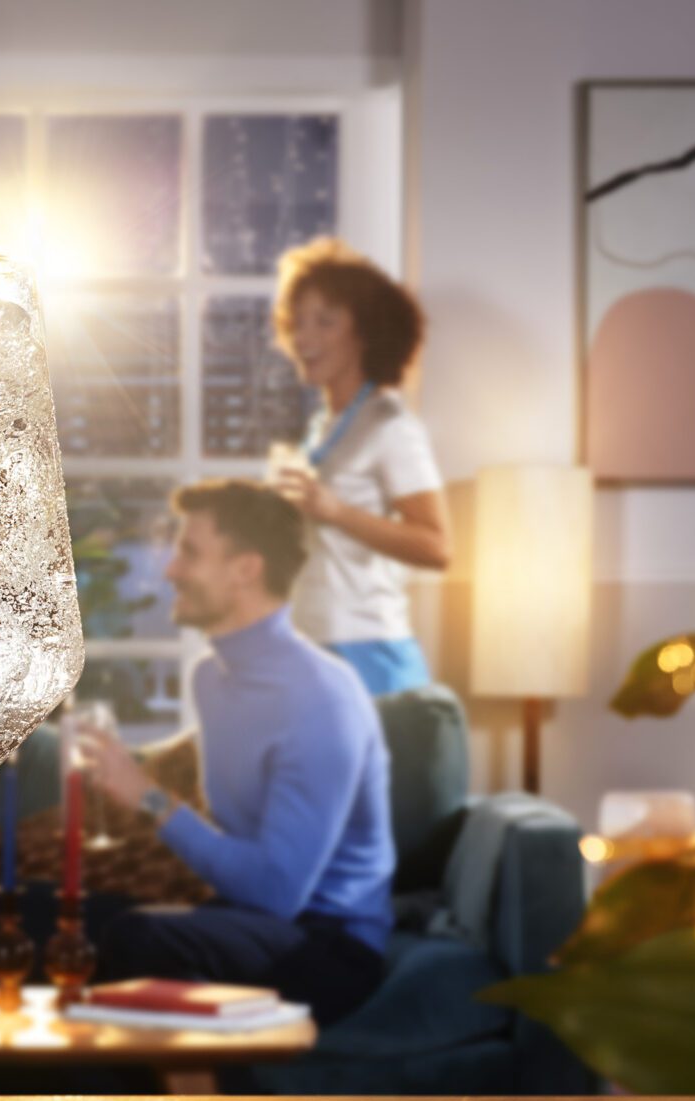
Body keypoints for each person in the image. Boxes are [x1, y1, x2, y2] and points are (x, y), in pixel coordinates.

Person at [75, 480, 393, 1029]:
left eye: (189, 552)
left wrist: (149, 799)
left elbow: (276, 892)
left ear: (246, 569)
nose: (170, 570)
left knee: (137, 936)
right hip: (252, 919)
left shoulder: (321, 699)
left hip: (329, 943)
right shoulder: (212, 680)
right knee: (57, 915)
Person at [267, 238, 451, 696]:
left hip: (368, 650)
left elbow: (437, 546)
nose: (303, 339)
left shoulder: (390, 425)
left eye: (325, 322)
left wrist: (335, 511)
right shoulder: (320, 428)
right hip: (311, 640)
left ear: (365, 331)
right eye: (299, 322)